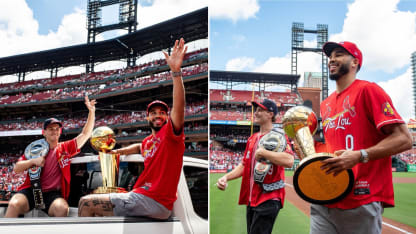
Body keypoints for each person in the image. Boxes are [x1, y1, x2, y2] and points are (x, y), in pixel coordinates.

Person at [78, 38, 187, 219]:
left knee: (85, 203)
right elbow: (138, 147)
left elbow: (179, 106)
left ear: (167, 117)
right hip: (144, 199)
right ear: (147, 117)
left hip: (154, 200)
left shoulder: (171, 134)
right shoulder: (149, 142)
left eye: (162, 112)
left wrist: (176, 72)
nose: (157, 115)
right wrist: (117, 152)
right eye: (153, 113)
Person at [313, 41, 413, 234]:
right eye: (330, 56)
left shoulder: (368, 90)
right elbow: (331, 147)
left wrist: (360, 155)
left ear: (354, 62)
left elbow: (404, 138)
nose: (332, 59)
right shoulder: (326, 104)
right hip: (326, 196)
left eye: (339, 54)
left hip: (361, 198)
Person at [5, 95, 96, 217]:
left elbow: (86, 133)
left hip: (52, 194)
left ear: (60, 131)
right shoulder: (35, 149)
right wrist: (33, 161)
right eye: (50, 129)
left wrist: (91, 111)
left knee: (61, 208)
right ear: (44, 132)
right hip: (32, 190)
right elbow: (17, 168)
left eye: (57, 128)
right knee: (13, 205)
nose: (54, 131)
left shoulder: (65, 147)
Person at [216, 99, 294, 234]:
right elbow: (243, 165)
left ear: (270, 114)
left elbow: (289, 160)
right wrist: (226, 177)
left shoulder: (279, 136)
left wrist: (265, 153)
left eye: (260, 110)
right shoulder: (252, 138)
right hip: (252, 199)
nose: (255, 113)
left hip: (269, 196)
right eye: (256, 110)